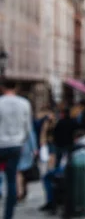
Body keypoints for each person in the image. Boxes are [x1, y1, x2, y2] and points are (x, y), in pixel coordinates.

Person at [39, 129, 85, 213]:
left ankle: (51, 202)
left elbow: (65, 164)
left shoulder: (73, 147)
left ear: (76, 138)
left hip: (72, 172)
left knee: (47, 176)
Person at [0, 83, 32, 219]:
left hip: (1, 143)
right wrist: (22, 141)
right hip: (16, 145)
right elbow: (28, 128)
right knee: (11, 180)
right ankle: (8, 215)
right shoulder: (24, 103)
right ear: (17, 88)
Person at [16, 122, 38, 201]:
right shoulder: (26, 123)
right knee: (23, 171)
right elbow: (31, 136)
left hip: (17, 148)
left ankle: (20, 192)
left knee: (18, 171)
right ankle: (22, 191)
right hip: (26, 149)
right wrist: (34, 149)